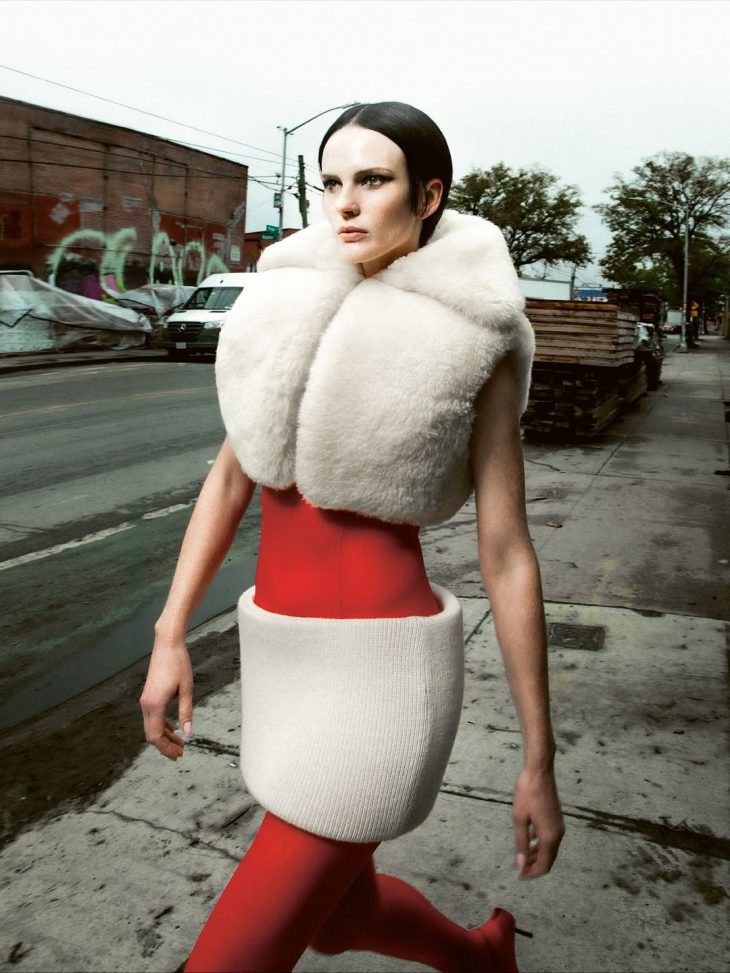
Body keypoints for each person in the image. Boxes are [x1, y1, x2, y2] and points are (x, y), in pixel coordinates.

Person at [140, 101, 564, 973]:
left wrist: (538, 757)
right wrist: (170, 631)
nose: (345, 202)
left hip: (384, 679)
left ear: (428, 195)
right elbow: (230, 478)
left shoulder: (474, 335)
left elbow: (507, 552)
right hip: (283, 661)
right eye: (331, 181)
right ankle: (484, 958)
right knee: (338, 916)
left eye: (373, 180)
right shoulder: (286, 306)